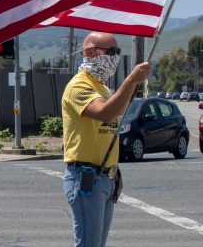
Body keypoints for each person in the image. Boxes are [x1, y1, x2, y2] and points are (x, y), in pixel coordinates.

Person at [61, 32, 151, 247]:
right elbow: (105, 114)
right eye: (111, 52)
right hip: (86, 176)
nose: (115, 57)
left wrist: (114, 171)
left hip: (104, 177)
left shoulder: (102, 87)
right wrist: (131, 79)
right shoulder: (79, 86)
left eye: (118, 52)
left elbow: (107, 133)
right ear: (90, 53)